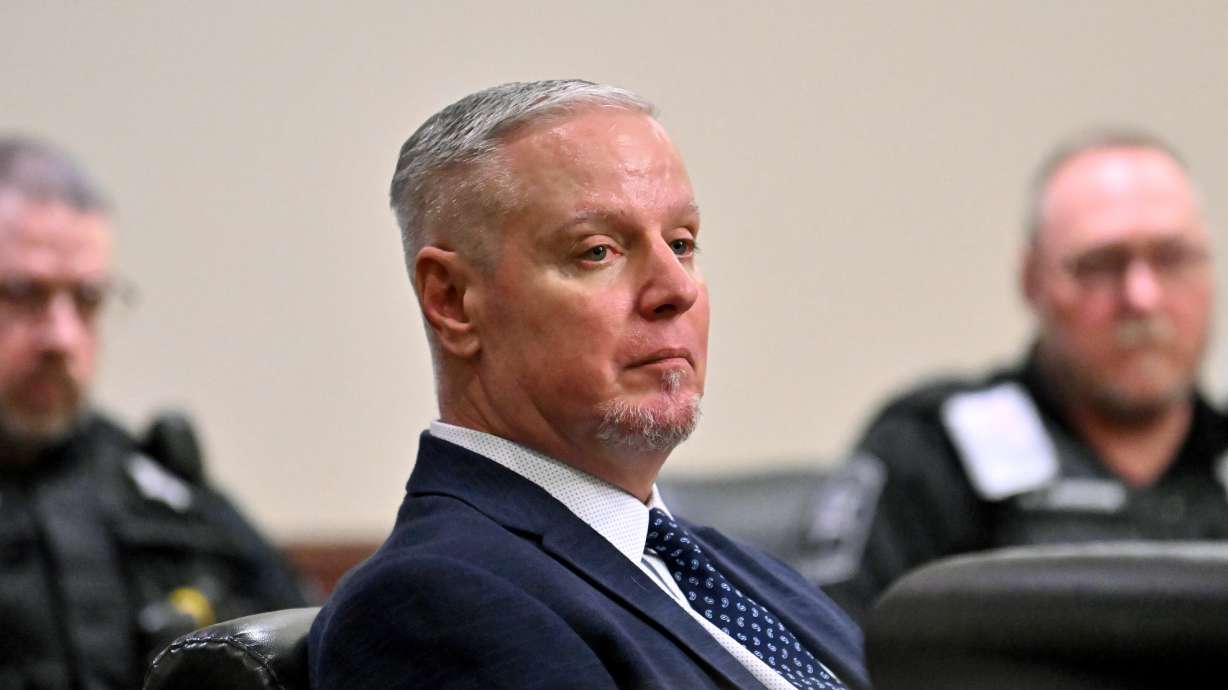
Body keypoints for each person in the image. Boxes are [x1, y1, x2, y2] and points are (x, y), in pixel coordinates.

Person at [308, 80, 868, 690]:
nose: (675, 288)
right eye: (598, 251)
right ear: (454, 301)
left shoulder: (744, 573)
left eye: (681, 244)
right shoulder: (436, 600)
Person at [817, 130, 1226, 622]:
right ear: (1033, 281)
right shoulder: (938, 453)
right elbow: (827, 653)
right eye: (1100, 264)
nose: (1142, 297)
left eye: (1172, 258)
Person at [0, 137, 308, 689]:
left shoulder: (160, 489)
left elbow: (303, 644)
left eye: (88, 299)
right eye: (24, 294)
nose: (62, 337)